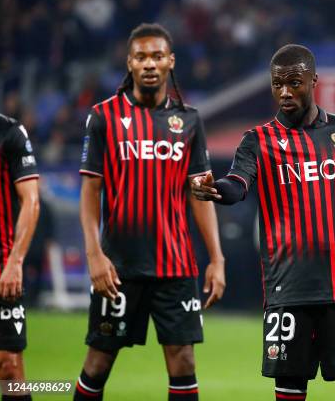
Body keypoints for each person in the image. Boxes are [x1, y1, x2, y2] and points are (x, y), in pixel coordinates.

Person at [192, 44, 335, 401]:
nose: (285, 92)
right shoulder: (257, 141)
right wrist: (216, 189)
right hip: (289, 292)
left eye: (294, 83)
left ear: (313, 81)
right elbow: (238, 184)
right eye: (277, 84)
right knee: (289, 392)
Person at [74, 23, 225, 401]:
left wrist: (217, 258)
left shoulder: (189, 120)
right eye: (141, 57)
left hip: (176, 267)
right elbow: (91, 190)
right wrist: (94, 253)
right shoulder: (103, 116)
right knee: (98, 363)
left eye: (157, 56)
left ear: (171, 61)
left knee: (184, 362)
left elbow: (200, 195)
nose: (149, 64)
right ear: (129, 63)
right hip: (119, 267)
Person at [0, 114, 40, 401]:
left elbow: (31, 201)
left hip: (2, 267)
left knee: (9, 367)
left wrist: (15, 261)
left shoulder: (9, 133)